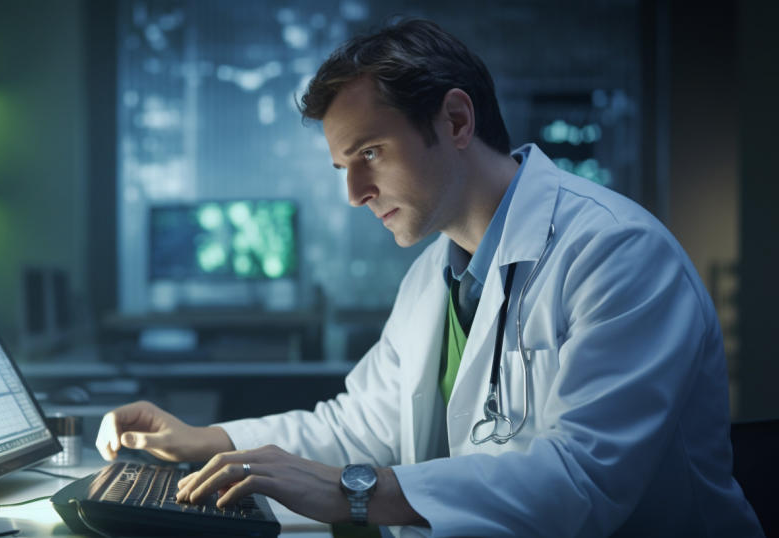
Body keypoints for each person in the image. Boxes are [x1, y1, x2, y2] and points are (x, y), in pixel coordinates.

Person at [96, 19, 763, 537]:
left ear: (455, 120)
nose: (355, 193)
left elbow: (580, 484)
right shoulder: (431, 275)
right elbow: (362, 424)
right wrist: (206, 441)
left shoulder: (616, 253)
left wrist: (350, 494)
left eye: (370, 153)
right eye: (343, 168)